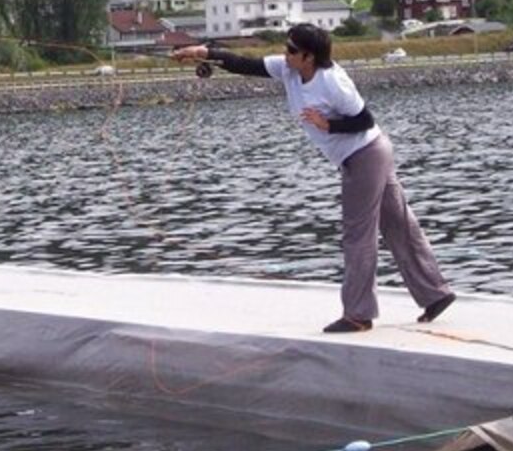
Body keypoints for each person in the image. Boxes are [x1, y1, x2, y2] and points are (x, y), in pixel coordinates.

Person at [172, 25, 454, 333]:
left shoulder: (333, 83)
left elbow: (364, 119)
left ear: (309, 56)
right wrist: (204, 53)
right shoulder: (290, 70)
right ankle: (436, 294)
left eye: (292, 49)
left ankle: (359, 314)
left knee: (358, 235)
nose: (286, 53)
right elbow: (247, 64)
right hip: (370, 154)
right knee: (399, 225)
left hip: (365, 155)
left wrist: (327, 124)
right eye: (286, 47)